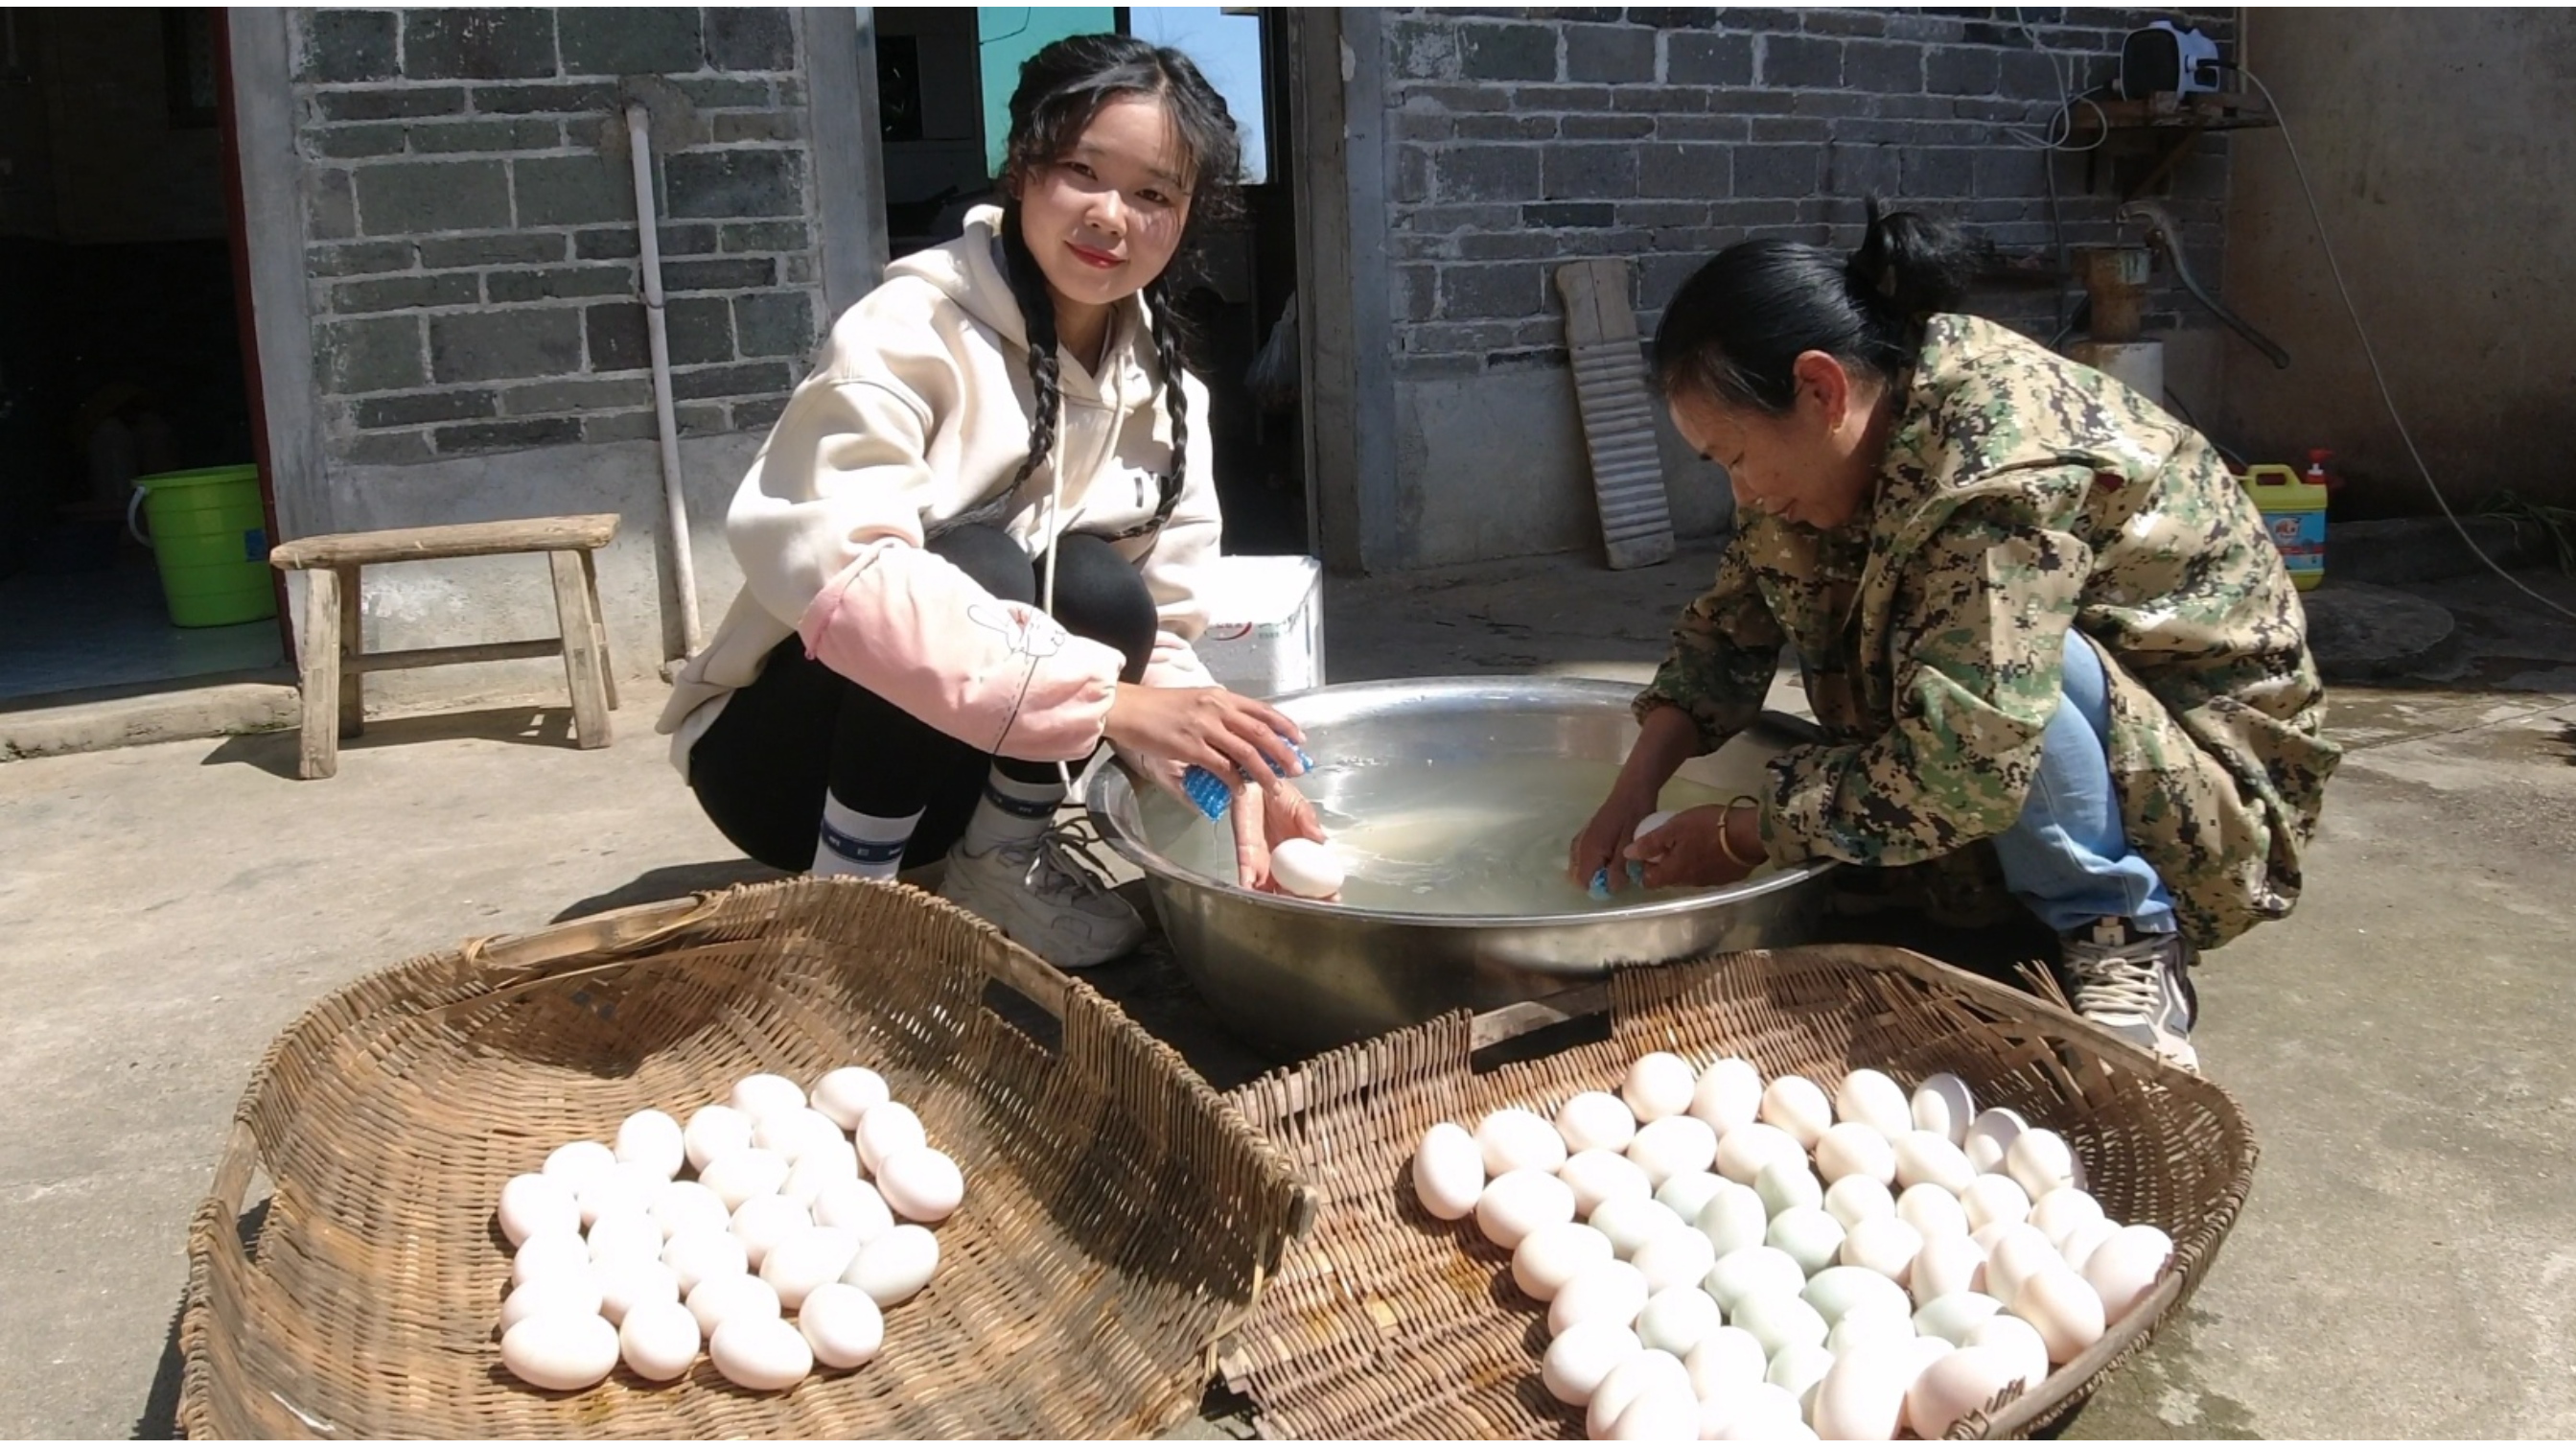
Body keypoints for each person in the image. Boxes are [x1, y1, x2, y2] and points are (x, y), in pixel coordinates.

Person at [1569, 204, 2340, 1072]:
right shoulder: (1847, 434)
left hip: (2203, 788)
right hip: (2038, 752)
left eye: (1736, 456)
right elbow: (1725, 634)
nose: (1742, 493)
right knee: (1903, 620)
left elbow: (1966, 764)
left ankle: (2116, 924)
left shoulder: (1997, 471)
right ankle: (1951, 883)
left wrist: (1745, 832)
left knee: (1989, 654)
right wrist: (1632, 788)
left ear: (1819, 389)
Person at [657, 35, 1322, 970]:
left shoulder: (1167, 392)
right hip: (782, 768)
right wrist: (1106, 707)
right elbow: (843, 568)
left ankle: (998, 861)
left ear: (1187, 217)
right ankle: (850, 908)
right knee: (971, 567)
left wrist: (1224, 779)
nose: (1109, 216)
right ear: (1022, 168)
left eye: (1152, 194)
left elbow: (1156, 633)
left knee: (1100, 586)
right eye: (1081, 172)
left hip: (963, 765)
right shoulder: (905, 331)